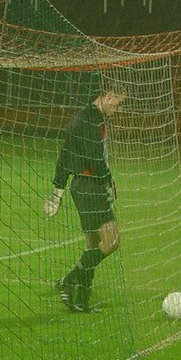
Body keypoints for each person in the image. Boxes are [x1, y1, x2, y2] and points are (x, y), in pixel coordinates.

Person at [43, 84, 126, 313]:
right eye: (119, 103)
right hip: (90, 186)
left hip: (81, 186)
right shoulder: (91, 121)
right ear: (108, 96)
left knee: (92, 246)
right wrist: (107, 181)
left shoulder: (83, 117)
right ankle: (69, 280)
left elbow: (64, 155)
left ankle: (81, 301)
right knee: (111, 241)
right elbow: (94, 158)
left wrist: (58, 189)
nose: (118, 109)